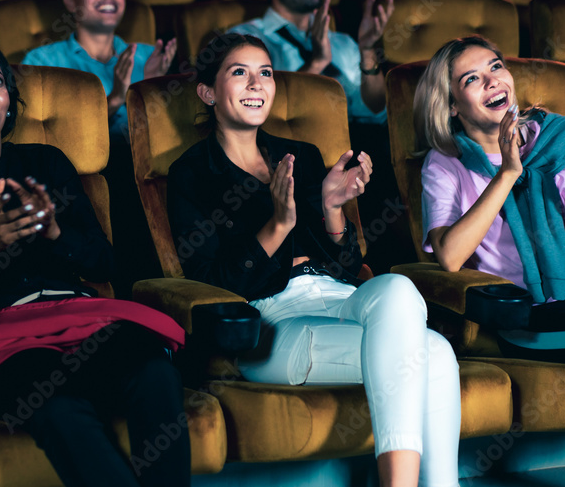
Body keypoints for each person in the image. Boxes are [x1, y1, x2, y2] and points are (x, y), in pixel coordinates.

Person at [0, 39, 191, 487]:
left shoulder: (46, 162)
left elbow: (104, 263)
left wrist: (55, 234)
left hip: (80, 318)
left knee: (156, 372)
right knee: (57, 405)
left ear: (9, 103)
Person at [168, 33, 461, 486]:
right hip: (270, 323)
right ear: (207, 92)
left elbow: (346, 268)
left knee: (400, 289)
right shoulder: (191, 173)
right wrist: (279, 223)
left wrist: (331, 209)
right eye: (239, 72)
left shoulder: (300, 157)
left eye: (264, 73)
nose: (256, 84)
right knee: (436, 353)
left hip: (337, 296)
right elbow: (214, 283)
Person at [414, 35, 565, 486]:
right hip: (531, 313)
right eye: (472, 78)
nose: (492, 81)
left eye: (496, 67)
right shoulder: (445, 165)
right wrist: (508, 172)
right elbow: (449, 255)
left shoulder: (560, 138)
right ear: (452, 108)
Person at [229, 0, 408, 274]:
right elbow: (252, 115)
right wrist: (316, 63)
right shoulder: (245, 42)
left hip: (353, 154)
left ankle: (393, 273)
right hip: (291, 163)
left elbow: (372, 110)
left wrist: (369, 50)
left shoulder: (341, 41)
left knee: (395, 145)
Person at [21, 0, 175, 294]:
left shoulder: (150, 56)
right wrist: (118, 98)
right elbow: (44, 142)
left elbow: (169, 137)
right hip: (77, 178)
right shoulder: (43, 62)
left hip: (144, 174)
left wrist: (154, 92)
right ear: (70, 1)